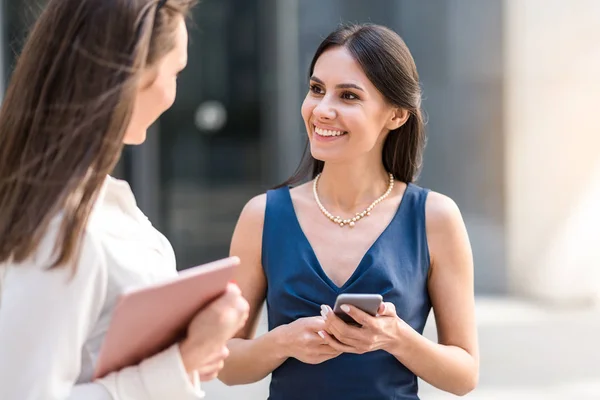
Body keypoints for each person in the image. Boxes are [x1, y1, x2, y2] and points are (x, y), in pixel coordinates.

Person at [0, 0, 249, 399]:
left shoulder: (88, 203)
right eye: (177, 72)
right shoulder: (62, 227)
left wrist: (181, 361)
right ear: (134, 75)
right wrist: (181, 361)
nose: (172, 93)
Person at [219, 23, 479, 399]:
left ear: (396, 115)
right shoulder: (262, 216)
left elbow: (464, 375)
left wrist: (396, 338)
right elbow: (224, 363)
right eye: (316, 89)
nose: (322, 110)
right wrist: (283, 343)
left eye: (349, 96)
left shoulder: (435, 218)